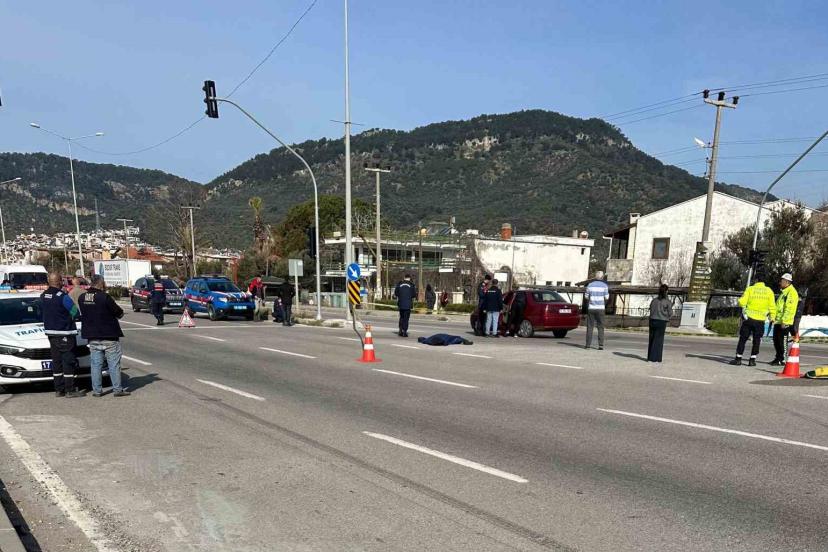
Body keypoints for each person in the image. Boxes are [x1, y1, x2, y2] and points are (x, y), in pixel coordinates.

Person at [79, 275, 130, 397]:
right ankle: (117, 389)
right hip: (109, 335)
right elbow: (119, 312)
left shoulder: (82, 297)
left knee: (96, 365)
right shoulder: (104, 297)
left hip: (92, 336)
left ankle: (97, 390)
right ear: (101, 284)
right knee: (113, 364)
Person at [41, 272, 83, 398]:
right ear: (60, 281)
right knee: (68, 361)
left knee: (57, 361)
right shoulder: (62, 297)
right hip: (64, 332)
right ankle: (70, 389)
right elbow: (75, 312)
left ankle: (59, 389)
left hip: (51, 333)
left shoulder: (43, 295)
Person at [730, 275, 776, 367]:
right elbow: (772, 306)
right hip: (760, 320)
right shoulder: (769, 291)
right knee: (757, 340)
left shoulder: (750, 289)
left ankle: (738, 359)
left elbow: (742, 302)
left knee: (743, 339)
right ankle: (752, 360)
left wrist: (742, 302)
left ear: (756, 280)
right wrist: (772, 318)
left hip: (749, 319)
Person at [770, 273, 799, 366]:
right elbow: (778, 307)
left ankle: (782, 359)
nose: (780, 283)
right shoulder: (784, 292)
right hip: (779, 320)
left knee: (782, 341)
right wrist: (773, 317)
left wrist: (785, 321)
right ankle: (778, 357)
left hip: (784, 321)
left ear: (787, 282)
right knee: (776, 340)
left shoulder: (791, 293)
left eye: (782, 281)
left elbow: (789, 309)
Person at [585, 271, 610, 350]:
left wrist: (591, 299)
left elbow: (586, 297)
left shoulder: (590, 285)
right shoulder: (604, 286)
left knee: (590, 327)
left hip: (591, 308)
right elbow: (607, 297)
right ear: (602, 277)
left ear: (595, 277)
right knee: (600, 327)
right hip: (600, 308)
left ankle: (588, 345)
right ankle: (600, 345)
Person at [647, 284, 671, 363]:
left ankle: (650, 357)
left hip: (652, 320)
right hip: (661, 321)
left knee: (652, 339)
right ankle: (656, 358)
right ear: (666, 292)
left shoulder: (654, 300)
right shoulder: (667, 301)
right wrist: (667, 317)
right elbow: (670, 312)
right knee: (659, 340)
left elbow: (650, 309)